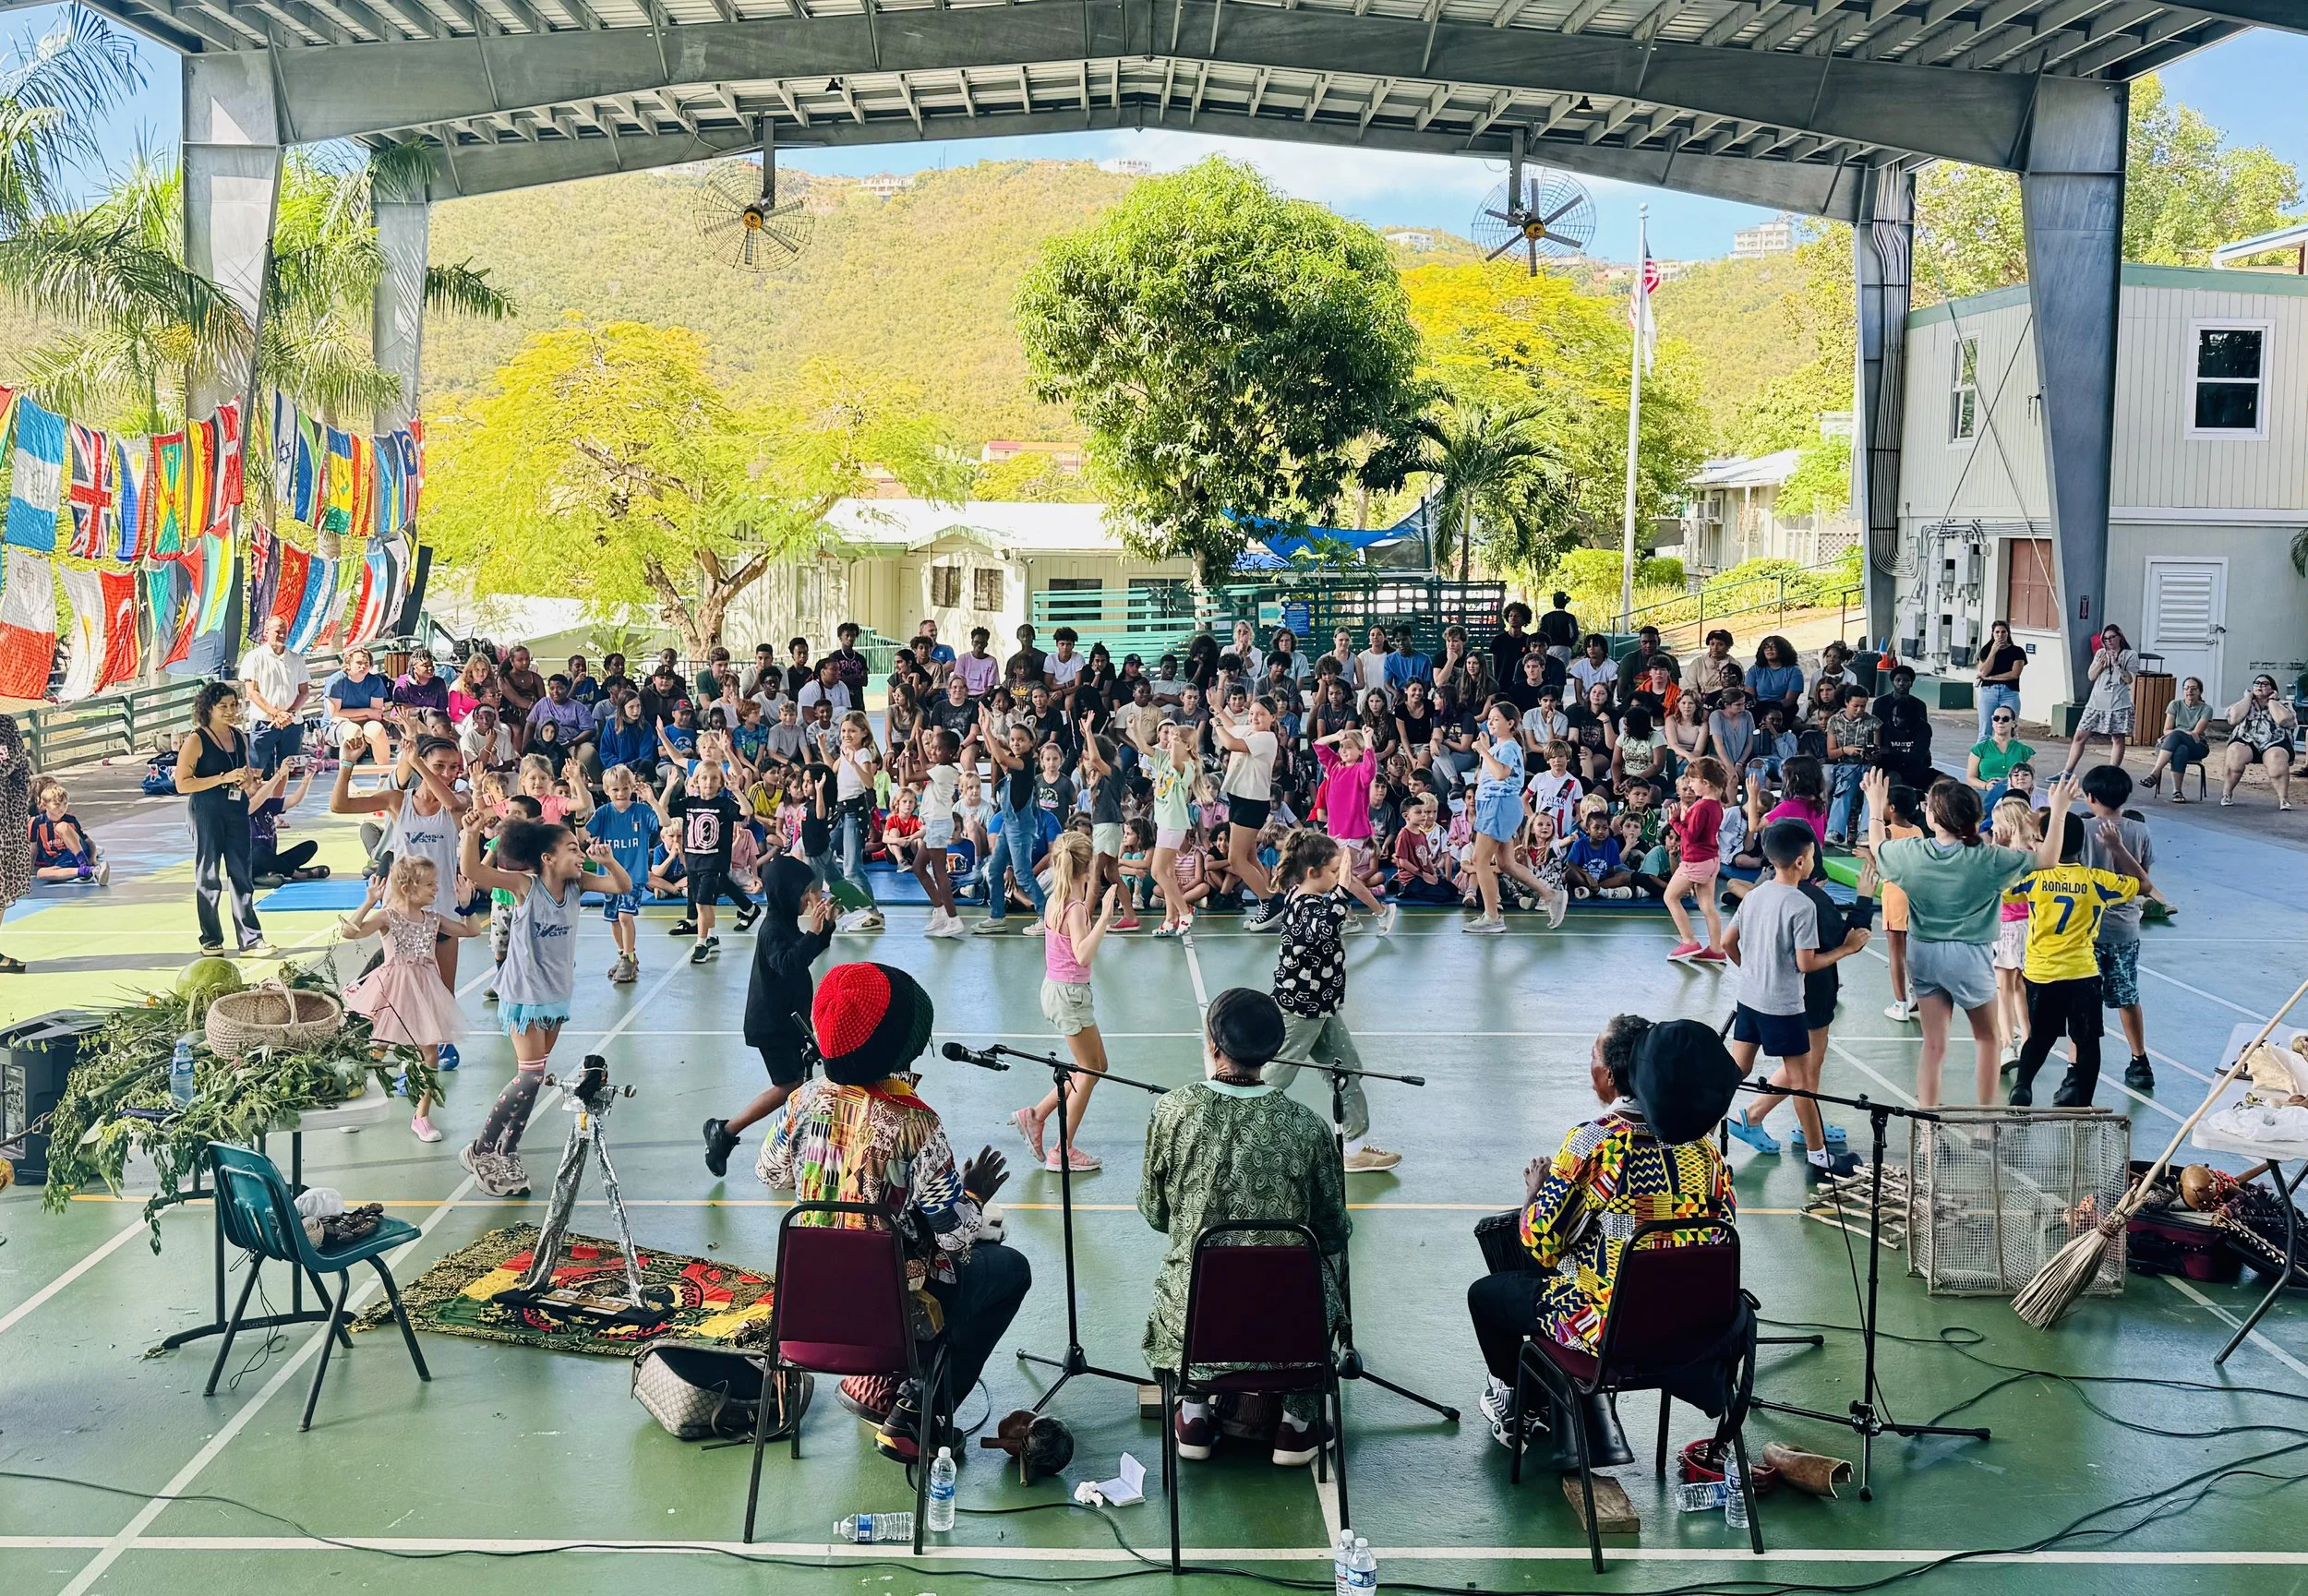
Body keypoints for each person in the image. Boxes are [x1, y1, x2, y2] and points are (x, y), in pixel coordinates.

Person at [762, 962, 1028, 1462]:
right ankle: (917, 1415)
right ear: (900, 1049)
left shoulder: (801, 1101)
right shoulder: (915, 1124)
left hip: (808, 1308)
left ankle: (879, 1389)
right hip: (889, 1317)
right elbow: (955, 1236)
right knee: (1009, 1270)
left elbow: (770, 1172)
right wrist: (972, 1195)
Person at [1465, 1016, 1736, 1457]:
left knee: (1488, 1294)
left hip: (1611, 1333)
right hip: (1692, 1330)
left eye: (1593, 1057)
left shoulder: (1596, 1142)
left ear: (1610, 1076)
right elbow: (1721, 1232)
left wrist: (1536, 1193)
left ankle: (1520, 1404)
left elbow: (1541, 1242)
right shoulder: (1705, 1150)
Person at [1141, 988, 1349, 1468]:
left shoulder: (1172, 1112)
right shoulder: (1308, 1126)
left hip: (1198, 1322)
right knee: (1324, 1262)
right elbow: (1334, 1230)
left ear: (1214, 1045)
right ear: (1272, 1052)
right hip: (1287, 1326)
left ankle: (1193, 1414)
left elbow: (1155, 1213)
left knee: (1184, 1267)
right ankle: (1297, 1427)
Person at [459, 812, 629, 1197]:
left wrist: (607, 861)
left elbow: (622, 885)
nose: (580, 853)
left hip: (556, 995)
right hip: (523, 995)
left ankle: (509, 1150)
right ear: (547, 858)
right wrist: (470, 834)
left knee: (533, 1083)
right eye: (572, 848)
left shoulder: (576, 885)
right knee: (531, 1076)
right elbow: (473, 871)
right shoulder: (525, 886)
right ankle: (481, 1148)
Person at [1863, 770, 2037, 1107]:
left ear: (1931, 817)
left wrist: (1874, 805)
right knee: (1988, 1039)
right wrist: (2057, 812)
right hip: (1969, 956)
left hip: (1924, 953)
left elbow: (1876, 844)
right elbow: (2043, 858)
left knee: (1933, 1045)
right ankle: (1985, 1123)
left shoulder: (1912, 853)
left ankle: (1927, 1130)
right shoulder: (1987, 858)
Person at [1720, 821, 1869, 1177]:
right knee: (1803, 1080)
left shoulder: (1754, 894)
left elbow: (1728, 943)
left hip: (1750, 999)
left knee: (1732, 1073)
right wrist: (1846, 950)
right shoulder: (1801, 905)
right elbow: (1806, 963)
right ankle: (1819, 1156)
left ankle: (1699, 1138)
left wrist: (1753, 973)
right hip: (1783, 1006)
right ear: (1802, 862)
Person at [1257, 831, 1402, 1171]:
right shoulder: (1306, 904)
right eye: (1334, 870)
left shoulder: (1310, 898)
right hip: (1300, 1010)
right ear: (1313, 873)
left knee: (1345, 1070)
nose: (1340, 876)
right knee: (1275, 1077)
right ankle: (1241, 1135)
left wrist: (1340, 885)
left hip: (1322, 1007)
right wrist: (1343, 888)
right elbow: (1321, 928)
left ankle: (1352, 1149)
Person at [2009, 775, 2151, 1108]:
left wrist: (2021, 844)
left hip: (2042, 972)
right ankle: (2083, 1100)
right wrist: (2118, 849)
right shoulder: (2096, 881)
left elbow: (2000, 887)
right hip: (2081, 973)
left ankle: (2023, 1086)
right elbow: (2143, 885)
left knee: (2040, 1037)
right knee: (2086, 1040)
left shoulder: (2033, 879)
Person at [702, 857, 836, 1178]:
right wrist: (813, 932)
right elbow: (788, 964)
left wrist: (825, 928)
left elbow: (806, 954)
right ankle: (725, 1131)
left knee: (798, 1084)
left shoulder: (786, 921)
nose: (809, 898)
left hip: (790, 1020)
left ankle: (793, 1146)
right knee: (788, 1085)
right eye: (805, 892)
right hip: (772, 1024)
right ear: (787, 893)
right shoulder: (773, 929)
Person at [339, 857, 480, 1143]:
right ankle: (355, 1106)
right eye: (429, 884)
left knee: (430, 1053)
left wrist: (467, 906)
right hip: (393, 989)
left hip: (425, 990)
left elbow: (472, 931)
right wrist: (369, 902)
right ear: (407, 886)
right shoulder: (387, 916)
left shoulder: (434, 919)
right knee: (377, 1048)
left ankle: (422, 1116)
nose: (436, 889)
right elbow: (349, 932)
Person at [332, 735, 472, 1018]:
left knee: (444, 990)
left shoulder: (459, 800)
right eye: (439, 766)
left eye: (454, 767)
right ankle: (383, 1033)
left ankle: (438, 1048)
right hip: (404, 909)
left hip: (443, 905)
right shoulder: (398, 801)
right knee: (398, 989)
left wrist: (419, 764)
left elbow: (454, 806)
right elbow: (340, 806)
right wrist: (347, 762)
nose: (447, 774)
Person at [1007, 833, 1120, 1172]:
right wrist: (1104, 915)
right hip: (1069, 996)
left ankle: (1036, 1115)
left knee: (1097, 1064)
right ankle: (1062, 1150)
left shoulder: (1056, 899)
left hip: (1057, 990)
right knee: (1088, 1072)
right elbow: (1083, 954)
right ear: (1088, 868)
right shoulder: (1076, 910)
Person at [2076, 763, 2158, 1094]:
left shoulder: (2081, 829)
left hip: (2087, 930)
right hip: (2125, 927)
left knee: (2083, 1000)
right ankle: (2140, 1060)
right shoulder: (2140, 831)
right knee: (2127, 996)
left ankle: (2077, 1063)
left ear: (2090, 796)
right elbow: (2144, 879)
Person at [177, 683, 271, 959]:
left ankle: (251, 939)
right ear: (208, 709)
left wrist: (247, 780)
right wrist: (221, 778)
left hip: (235, 810)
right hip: (206, 810)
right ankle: (211, 938)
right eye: (224, 707)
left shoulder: (240, 737)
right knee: (208, 874)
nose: (231, 711)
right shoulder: (196, 739)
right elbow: (182, 784)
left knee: (241, 872)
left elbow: (247, 779)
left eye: (234, 705)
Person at [1467, 702, 1562, 933]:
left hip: (1499, 806)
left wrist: (1482, 751)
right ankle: (1550, 895)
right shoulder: (1499, 748)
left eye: (1496, 718)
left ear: (1510, 723)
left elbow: (1500, 774)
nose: (1490, 722)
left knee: (1480, 861)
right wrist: (1486, 751)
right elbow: (1484, 777)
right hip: (1494, 806)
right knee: (1506, 863)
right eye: (1489, 718)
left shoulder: (1509, 747)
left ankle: (1492, 917)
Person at [585, 764, 662, 984]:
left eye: (625, 788)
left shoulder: (642, 811)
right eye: (615, 790)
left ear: (632, 788)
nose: (621, 794)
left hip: (634, 876)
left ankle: (629, 956)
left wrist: (652, 801)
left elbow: (664, 823)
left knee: (624, 916)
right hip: (609, 878)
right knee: (613, 919)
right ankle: (624, 954)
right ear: (607, 791)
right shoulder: (603, 813)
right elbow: (586, 835)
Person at [1212, 697, 1284, 930]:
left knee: (1236, 859)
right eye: (1252, 713)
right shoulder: (1250, 730)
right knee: (1251, 857)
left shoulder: (1267, 738)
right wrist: (1217, 707)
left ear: (1273, 717)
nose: (1254, 718)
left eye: (1261, 714)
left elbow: (1231, 743)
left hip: (1252, 802)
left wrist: (1217, 726)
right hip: (1238, 798)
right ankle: (1269, 899)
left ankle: (1271, 902)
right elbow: (1233, 726)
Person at [1664, 758, 1730, 963]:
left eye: (1692, 781)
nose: (1690, 786)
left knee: (1670, 897)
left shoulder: (1701, 807)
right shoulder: (1715, 804)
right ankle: (1716, 949)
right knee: (1708, 907)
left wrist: (1674, 820)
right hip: (1710, 860)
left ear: (1705, 782)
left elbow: (1690, 837)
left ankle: (1689, 940)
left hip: (1696, 861)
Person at [2062, 624, 2140, 778]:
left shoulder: (2130, 655)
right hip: (2096, 702)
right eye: (2105, 639)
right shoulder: (2100, 653)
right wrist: (2101, 664)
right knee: (2079, 736)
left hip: (2118, 702)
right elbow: (2091, 676)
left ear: (2120, 637)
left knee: (2117, 738)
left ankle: (2112, 772)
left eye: (2112, 637)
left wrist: (2116, 664)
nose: (2109, 641)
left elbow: (2129, 679)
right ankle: (2067, 772)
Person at [237, 615, 312, 774]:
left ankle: (279, 799)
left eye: (285, 631)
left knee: (286, 770)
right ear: (266, 632)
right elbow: (252, 692)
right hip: (264, 721)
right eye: (278, 631)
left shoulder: (296, 659)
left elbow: (304, 691)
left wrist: (289, 713)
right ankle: (255, 799)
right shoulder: (254, 657)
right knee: (256, 769)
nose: (282, 635)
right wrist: (276, 713)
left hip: (292, 722)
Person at [2220, 673, 2297, 809]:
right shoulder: (2246, 703)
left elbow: (2283, 720)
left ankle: (2283, 799)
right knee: (2235, 751)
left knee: (2276, 756)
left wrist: (2272, 701)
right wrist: (2248, 698)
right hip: (2247, 740)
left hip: (2275, 741)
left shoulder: (2283, 704)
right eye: (2257, 683)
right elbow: (2233, 719)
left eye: (2264, 684)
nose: (2260, 686)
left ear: (2273, 688)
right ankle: (2227, 794)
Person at [246, 759, 322, 883]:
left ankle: (273, 872)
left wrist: (306, 780)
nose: (260, 782)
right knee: (259, 852)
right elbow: (256, 800)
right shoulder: (240, 806)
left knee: (310, 846)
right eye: (255, 780)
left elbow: (294, 800)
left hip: (270, 858)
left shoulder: (267, 804)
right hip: (252, 862)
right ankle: (297, 874)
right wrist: (280, 774)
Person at [1823, 685, 1880, 844]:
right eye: (1856, 706)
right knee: (1845, 788)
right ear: (1847, 703)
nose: (1859, 710)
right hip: (1845, 766)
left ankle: (1866, 831)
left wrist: (1873, 753)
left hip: (1867, 766)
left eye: (1863, 706)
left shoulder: (1874, 723)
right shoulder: (1834, 721)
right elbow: (1831, 753)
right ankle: (1834, 831)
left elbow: (1877, 750)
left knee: (1870, 788)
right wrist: (1845, 750)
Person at [2143, 676, 2214, 801]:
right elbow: (2167, 729)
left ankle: (2155, 773)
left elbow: (2195, 733)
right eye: (2186, 688)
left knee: (2177, 735)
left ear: (2199, 691)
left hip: (2196, 745)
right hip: (2171, 746)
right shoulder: (2175, 705)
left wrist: (2175, 734)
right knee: (2181, 749)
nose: (2189, 691)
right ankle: (2177, 792)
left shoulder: (2206, 709)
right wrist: (2174, 734)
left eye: (2193, 688)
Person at [325, 646, 395, 770]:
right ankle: (346, 777)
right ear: (348, 663)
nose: (363, 666)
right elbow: (335, 713)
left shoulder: (375, 682)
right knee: (353, 731)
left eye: (366, 663)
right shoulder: (337, 681)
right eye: (359, 663)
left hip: (366, 721)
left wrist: (366, 714)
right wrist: (367, 712)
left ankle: (384, 774)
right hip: (338, 724)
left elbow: (377, 714)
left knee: (377, 730)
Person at [30, 782, 107, 884]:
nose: (62, 808)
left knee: (62, 826)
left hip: (77, 853)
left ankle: (84, 865)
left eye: (65, 804)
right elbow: (33, 848)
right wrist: (28, 870)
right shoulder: (36, 823)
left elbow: (89, 842)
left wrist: (92, 859)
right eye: (57, 804)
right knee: (41, 873)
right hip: (60, 861)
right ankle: (86, 872)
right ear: (44, 805)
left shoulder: (70, 820)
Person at [1965, 704, 2035, 805]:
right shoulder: (1979, 749)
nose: (2000, 722)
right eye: (1996, 718)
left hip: (2013, 795)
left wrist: (2008, 783)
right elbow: (1971, 778)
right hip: (1985, 793)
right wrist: (1986, 785)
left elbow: (2030, 779)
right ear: (1992, 722)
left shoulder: (2025, 751)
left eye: (2005, 719)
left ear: (2013, 724)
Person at [1973, 620, 2027, 739]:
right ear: (1993, 634)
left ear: (2008, 633)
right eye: (1997, 632)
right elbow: (1983, 672)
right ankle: (1981, 757)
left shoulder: (2017, 652)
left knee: (2011, 729)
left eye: (2003, 632)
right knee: (1985, 730)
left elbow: (2014, 674)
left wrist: (1992, 678)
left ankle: (2011, 756)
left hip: (2009, 692)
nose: (2000, 635)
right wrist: (1993, 652)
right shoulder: (1986, 650)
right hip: (1989, 692)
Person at [1746, 635, 1804, 715]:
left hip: (1783, 708)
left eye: (1774, 646)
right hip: (1759, 708)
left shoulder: (1794, 671)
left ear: (1783, 649)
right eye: (1766, 647)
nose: (1769, 649)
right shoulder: (1754, 670)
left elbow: (1790, 700)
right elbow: (1750, 696)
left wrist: (1773, 710)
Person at [1568, 634, 1617, 701]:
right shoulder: (1579, 666)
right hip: (1585, 704)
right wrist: (1586, 708)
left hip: (1605, 703)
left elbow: (1609, 694)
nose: (1591, 648)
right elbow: (1578, 695)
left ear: (1603, 648)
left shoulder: (1612, 667)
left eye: (1595, 646)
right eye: (1588, 646)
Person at [1535, 592, 1580, 663]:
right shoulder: (1569, 617)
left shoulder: (1546, 617)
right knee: (1562, 670)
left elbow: (1540, 634)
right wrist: (1569, 644)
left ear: (1554, 603)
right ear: (1565, 603)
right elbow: (1574, 634)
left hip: (1548, 648)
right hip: (1564, 648)